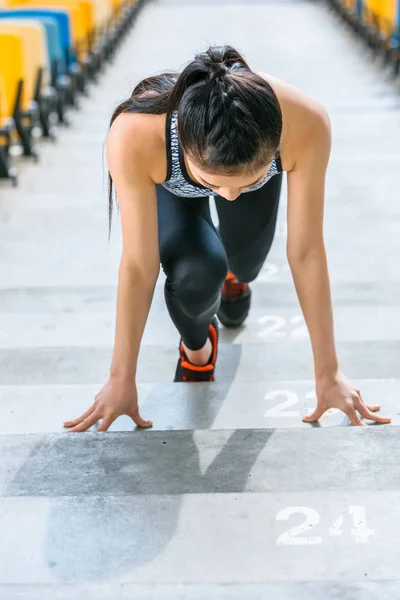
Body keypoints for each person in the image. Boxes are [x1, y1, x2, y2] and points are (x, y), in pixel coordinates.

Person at [64, 45, 391, 432]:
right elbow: (139, 265)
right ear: (184, 146)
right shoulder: (137, 134)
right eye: (214, 183)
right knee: (198, 274)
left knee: (245, 261)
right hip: (172, 185)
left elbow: (305, 252)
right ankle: (197, 350)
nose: (229, 196)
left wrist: (329, 373)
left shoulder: (304, 122)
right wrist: (121, 378)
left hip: (242, 166)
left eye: (245, 183)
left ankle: (237, 273)